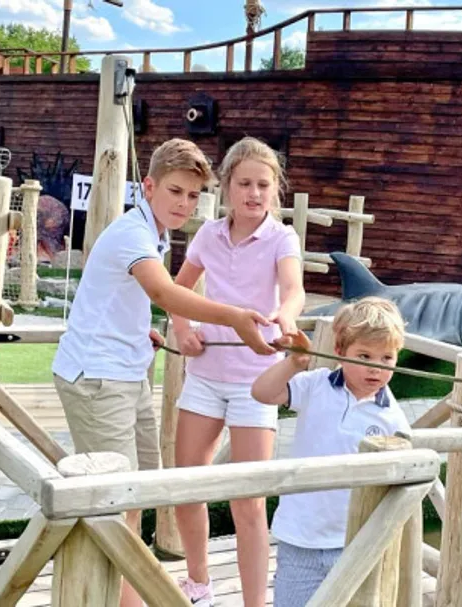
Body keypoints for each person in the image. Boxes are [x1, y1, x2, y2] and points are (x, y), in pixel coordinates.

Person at [51, 138, 275, 607]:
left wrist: (141, 334)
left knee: (139, 493)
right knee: (117, 502)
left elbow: (125, 298)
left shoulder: (157, 230)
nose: (184, 204)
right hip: (96, 376)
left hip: (128, 371)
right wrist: (235, 316)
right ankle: (129, 600)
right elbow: (164, 293)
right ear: (148, 186)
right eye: (175, 191)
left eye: (193, 196)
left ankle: (129, 595)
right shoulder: (133, 233)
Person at [171, 137, 305, 607]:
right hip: (205, 373)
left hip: (256, 381)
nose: (254, 193)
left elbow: (293, 290)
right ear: (226, 185)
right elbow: (177, 290)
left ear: (276, 189)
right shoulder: (207, 234)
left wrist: (286, 317)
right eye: (244, 183)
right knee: (187, 485)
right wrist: (183, 329)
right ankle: (200, 586)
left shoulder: (282, 238)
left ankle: (254, 603)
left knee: (248, 500)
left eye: (263, 185)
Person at [251, 297, 411, 607]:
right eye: (364, 355)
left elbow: (402, 483)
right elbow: (262, 393)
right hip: (301, 538)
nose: (375, 368)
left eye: (386, 358)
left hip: (355, 541)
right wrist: (293, 363)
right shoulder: (315, 386)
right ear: (339, 351)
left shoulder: (394, 419)